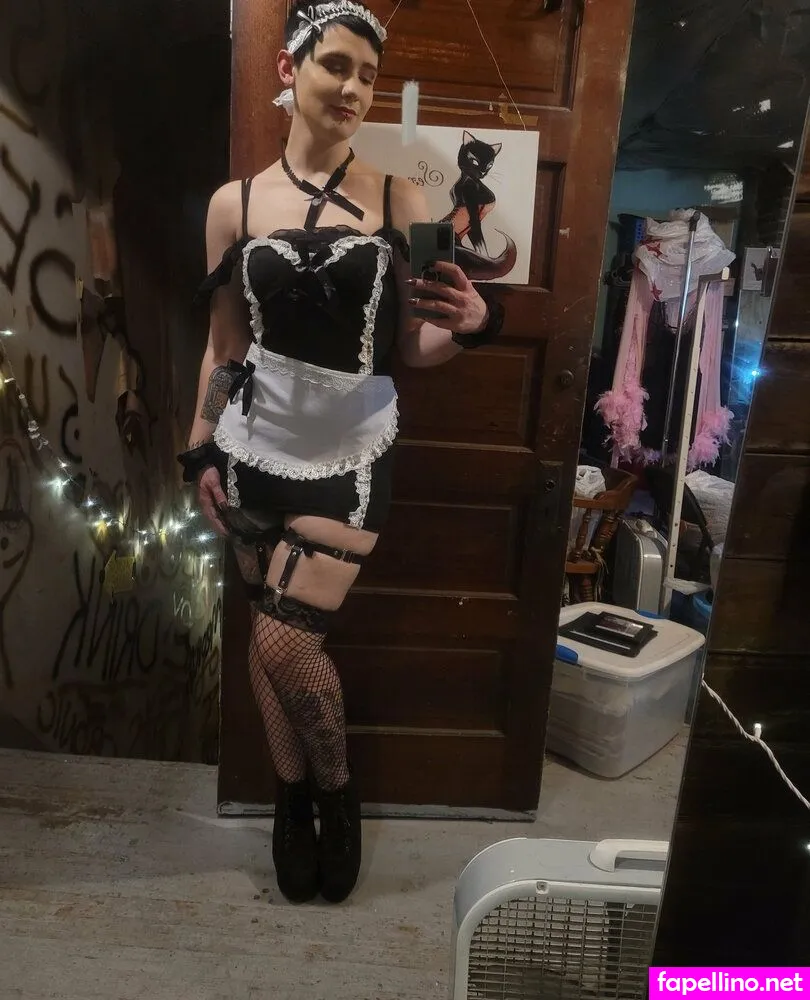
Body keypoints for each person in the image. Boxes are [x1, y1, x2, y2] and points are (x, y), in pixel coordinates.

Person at [177, 0, 504, 905]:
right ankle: (289, 801)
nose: (355, 87)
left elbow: (419, 345)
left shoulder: (406, 198)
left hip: (352, 446)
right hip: (252, 439)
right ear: (290, 69)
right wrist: (200, 450)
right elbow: (225, 344)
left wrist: (477, 324)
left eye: (369, 74)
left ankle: (336, 794)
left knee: (286, 643)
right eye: (337, 66)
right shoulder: (234, 204)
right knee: (264, 628)